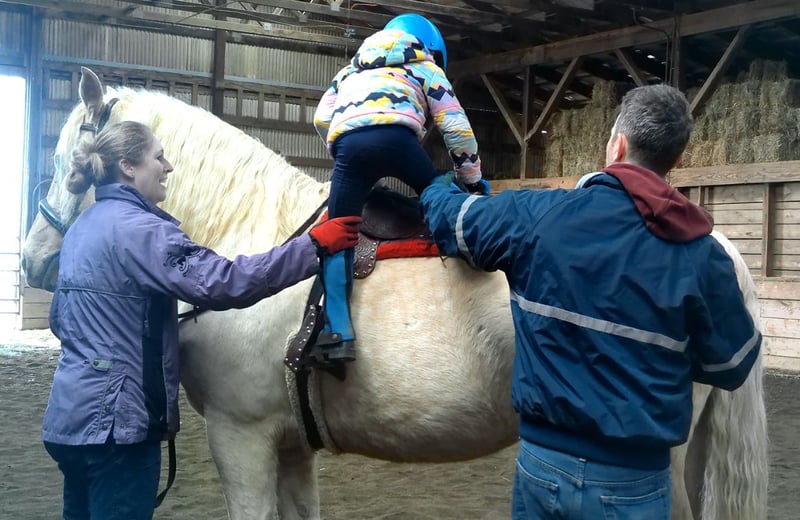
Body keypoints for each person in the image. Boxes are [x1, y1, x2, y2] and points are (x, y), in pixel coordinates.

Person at [420, 84, 761, 519]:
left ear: (617, 145)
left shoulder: (535, 216)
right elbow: (732, 366)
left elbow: (454, 219)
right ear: (676, 161)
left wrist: (438, 186)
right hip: (634, 485)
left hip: (543, 469)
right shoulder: (702, 257)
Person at [41, 120, 361, 520]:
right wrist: (311, 247)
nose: (168, 166)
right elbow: (224, 281)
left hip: (69, 421)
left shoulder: (79, 230)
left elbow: (60, 321)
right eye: (158, 157)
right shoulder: (142, 231)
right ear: (128, 167)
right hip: (117, 428)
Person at [312, 13, 489, 365]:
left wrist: (344, 153)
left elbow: (321, 117)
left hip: (349, 148)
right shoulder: (425, 67)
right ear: (431, 48)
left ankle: (338, 335)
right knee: (439, 197)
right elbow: (456, 127)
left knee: (337, 234)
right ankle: (477, 262)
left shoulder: (349, 72)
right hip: (399, 141)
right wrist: (469, 178)